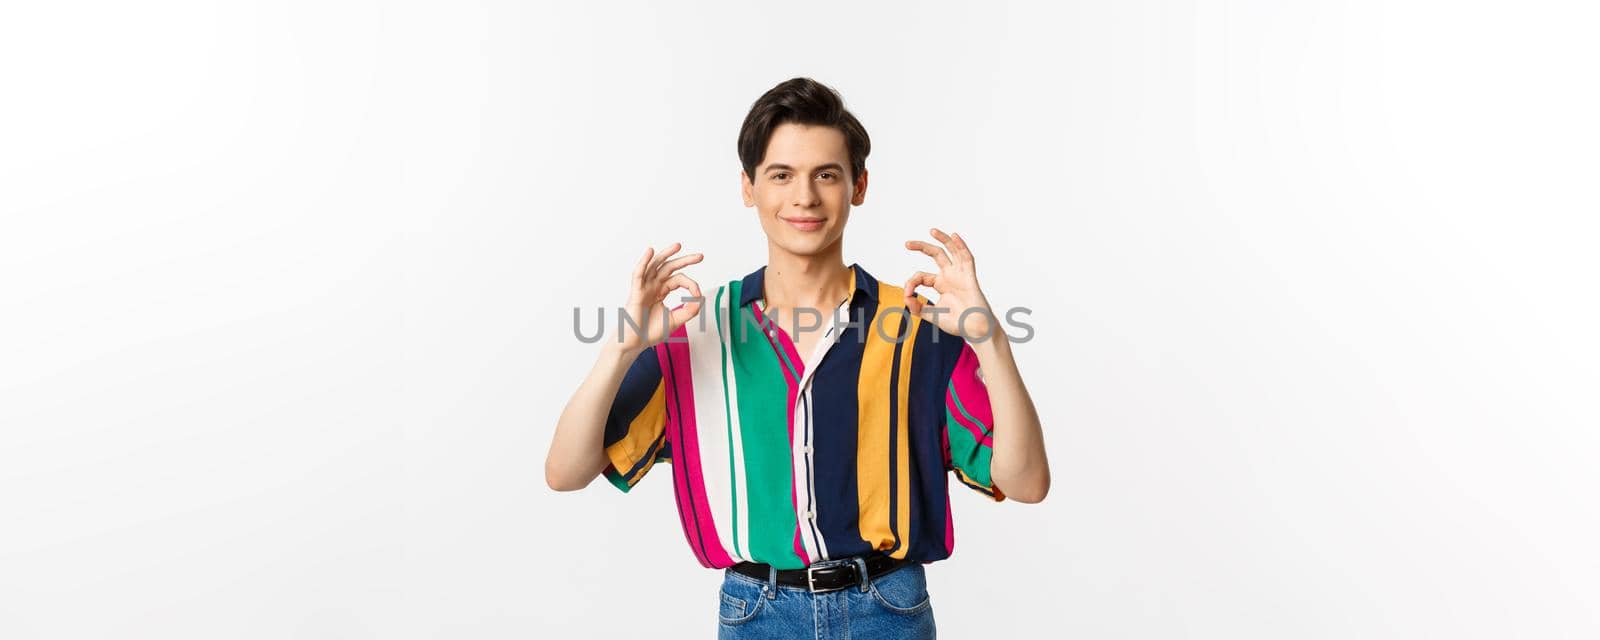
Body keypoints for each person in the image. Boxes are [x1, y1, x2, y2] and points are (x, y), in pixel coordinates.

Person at [546, 77, 1051, 638]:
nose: (804, 197)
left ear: (858, 185)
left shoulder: (918, 326)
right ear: (748, 187)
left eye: (826, 175)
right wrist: (621, 347)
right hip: (756, 612)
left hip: (889, 611)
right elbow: (566, 472)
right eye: (781, 175)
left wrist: (992, 341)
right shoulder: (696, 331)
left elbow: (1026, 482)